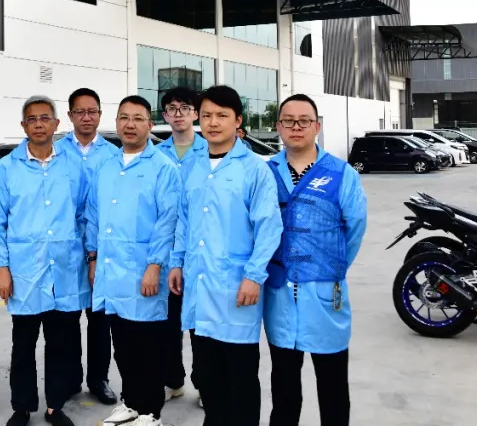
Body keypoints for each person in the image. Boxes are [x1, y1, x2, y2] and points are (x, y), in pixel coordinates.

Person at [168, 85, 283, 426]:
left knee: (240, 374)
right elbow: (183, 220)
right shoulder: (192, 166)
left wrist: (254, 276)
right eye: (206, 115)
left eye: (222, 115)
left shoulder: (254, 169)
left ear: (238, 121)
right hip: (199, 284)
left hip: (236, 287)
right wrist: (176, 262)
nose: (213, 122)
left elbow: (268, 227)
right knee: (207, 373)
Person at [0, 95, 90, 426]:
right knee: (23, 344)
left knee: (61, 343)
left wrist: (88, 256)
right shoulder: (7, 168)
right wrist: (1, 268)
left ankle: (55, 405)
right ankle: (23, 406)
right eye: (32, 119)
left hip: (65, 269)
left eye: (45, 118)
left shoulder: (73, 166)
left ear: (57, 124)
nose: (39, 124)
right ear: (23, 125)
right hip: (24, 271)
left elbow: (86, 214)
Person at [265, 95, 367, 426]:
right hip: (279, 292)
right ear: (278, 126)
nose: (296, 127)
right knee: (283, 387)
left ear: (317, 126)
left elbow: (354, 228)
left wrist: (330, 265)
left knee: (332, 384)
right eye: (288, 120)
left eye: (304, 120)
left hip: (325, 294)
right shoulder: (265, 172)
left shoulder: (341, 173)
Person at [87, 95, 180, 426]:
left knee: (148, 346)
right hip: (112, 270)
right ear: (116, 123)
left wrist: (155, 265)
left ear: (150, 125)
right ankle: (131, 402)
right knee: (122, 343)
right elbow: (93, 214)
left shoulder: (163, 168)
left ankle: (151, 411)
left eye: (138, 118)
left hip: (144, 271)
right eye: (124, 118)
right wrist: (93, 257)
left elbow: (168, 220)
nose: (130, 124)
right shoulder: (106, 166)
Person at [56, 87, 120, 406]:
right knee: (66, 319)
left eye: (92, 111)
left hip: (102, 246)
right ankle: (69, 379)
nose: (86, 117)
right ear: (70, 115)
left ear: (100, 114)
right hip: (65, 248)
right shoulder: (55, 152)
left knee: (99, 319)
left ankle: (98, 379)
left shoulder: (112, 154)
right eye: (80, 112)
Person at [154, 86, 207, 405]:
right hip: (165, 250)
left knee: (199, 323)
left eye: (185, 108)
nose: (178, 114)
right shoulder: (156, 154)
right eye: (172, 108)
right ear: (164, 115)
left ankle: (205, 384)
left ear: (195, 114)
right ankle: (172, 381)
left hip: (199, 248)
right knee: (167, 322)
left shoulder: (210, 150)